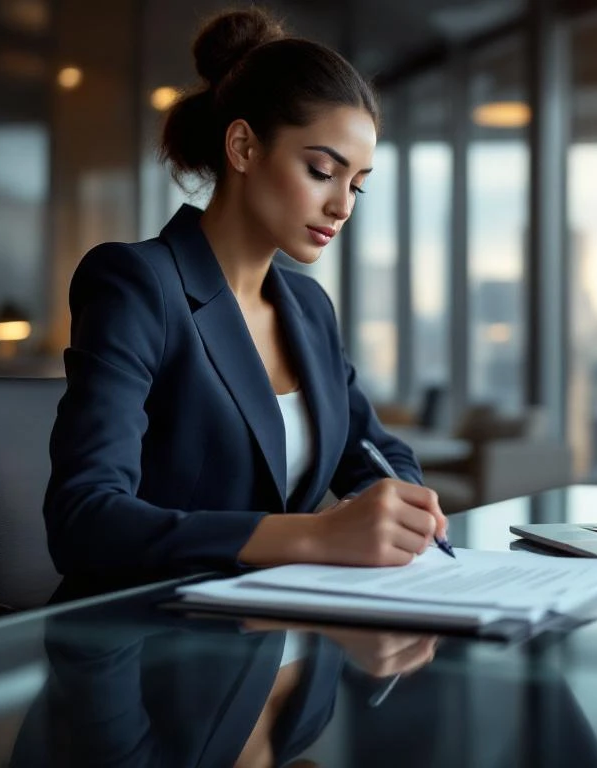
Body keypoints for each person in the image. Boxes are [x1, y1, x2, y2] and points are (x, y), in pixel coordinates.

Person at [43, 7, 447, 577]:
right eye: (321, 171)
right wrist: (314, 536)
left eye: (356, 184)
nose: (343, 206)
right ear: (243, 148)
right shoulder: (138, 285)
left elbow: (378, 452)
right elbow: (83, 520)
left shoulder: (308, 308)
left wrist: (394, 507)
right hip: (153, 641)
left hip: (283, 632)